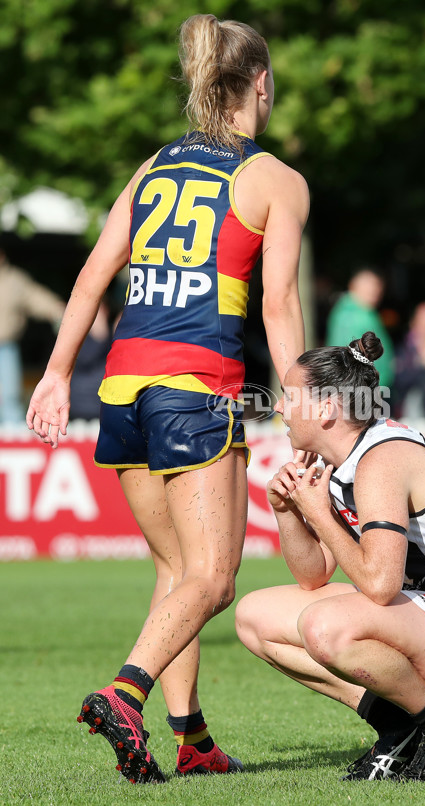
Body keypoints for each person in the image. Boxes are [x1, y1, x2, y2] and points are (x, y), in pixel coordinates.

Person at [27, 13, 309, 785]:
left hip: (121, 385)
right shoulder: (275, 179)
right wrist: (306, 403)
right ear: (261, 83)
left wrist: (55, 374)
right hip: (194, 390)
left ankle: (191, 739)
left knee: (175, 571)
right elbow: (277, 306)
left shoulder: (152, 166)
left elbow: (92, 277)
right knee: (214, 577)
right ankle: (126, 692)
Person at [235, 331, 425, 784]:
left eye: (289, 396)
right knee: (254, 617)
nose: (277, 407)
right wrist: (290, 514)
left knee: (325, 626)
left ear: (327, 408)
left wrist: (320, 512)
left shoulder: (382, 459)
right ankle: (398, 727)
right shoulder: (337, 461)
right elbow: (313, 576)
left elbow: (379, 584)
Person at [0, 247, 65, 424]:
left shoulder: (14, 280)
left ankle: (10, 447)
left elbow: (36, 297)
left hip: (6, 348)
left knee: (10, 399)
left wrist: (58, 310)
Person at [325, 268, 394, 390]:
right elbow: (351, 357)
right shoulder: (354, 315)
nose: (376, 291)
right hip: (363, 390)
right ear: (353, 286)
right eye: (370, 287)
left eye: (378, 287)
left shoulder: (360, 311)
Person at [394, 301, 425, 418]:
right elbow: (398, 383)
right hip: (411, 416)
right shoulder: (404, 350)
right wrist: (421, 365)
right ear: (415, 322)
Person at [69, 299, 112, 420]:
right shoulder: (74, 337)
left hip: (103, 405)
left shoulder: (113, 337)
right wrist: (100, 336)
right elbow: (84, 359)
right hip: (81, 407)